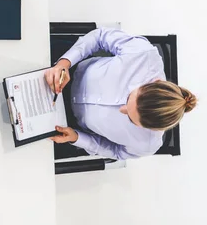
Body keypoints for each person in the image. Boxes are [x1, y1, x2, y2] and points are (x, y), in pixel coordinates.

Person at [45, 28, 196, 160]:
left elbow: (115, 151)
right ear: (154, 82)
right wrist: (64, 63)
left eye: (130, 118)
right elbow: (100, 36)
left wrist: (77, 138)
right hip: (69, 67)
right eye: (130, 97)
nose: (121, 109)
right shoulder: (144, 55)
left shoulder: (147, 144)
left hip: (68, 124)